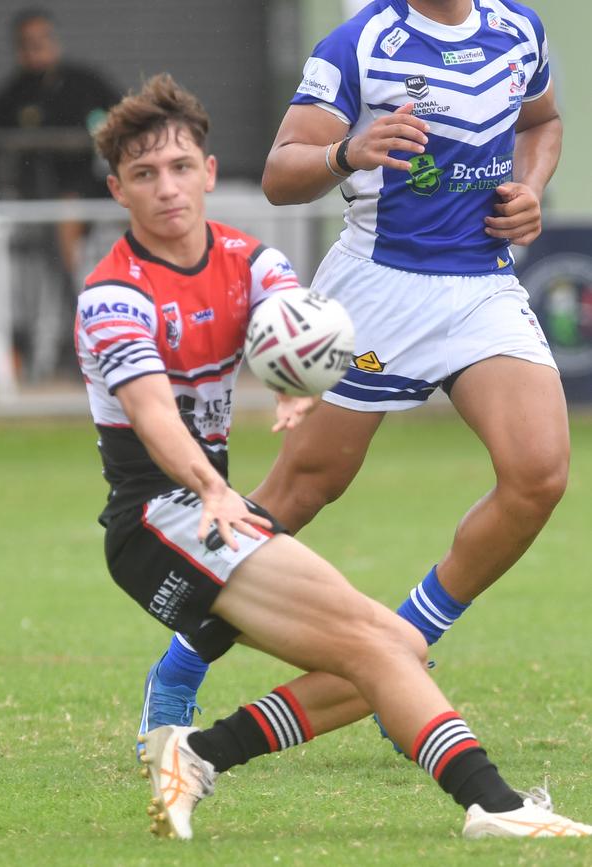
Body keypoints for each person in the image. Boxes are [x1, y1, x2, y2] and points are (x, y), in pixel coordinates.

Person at [75, 72, 590, 841]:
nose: (168, 188)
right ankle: (496, 806)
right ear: (119, 190)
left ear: (210, 173)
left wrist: (298, 386)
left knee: (397, 649)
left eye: (182, 167)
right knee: (382, 645)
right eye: (145, 175)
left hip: (214, 522)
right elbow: (154, 416)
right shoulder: (113, 296)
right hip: (160, 521)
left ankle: (198, 754)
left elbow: (297, 325)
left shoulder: (251, 261)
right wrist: (214, 492)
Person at [140, 0, 570, 750]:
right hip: (375, 307)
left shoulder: (517, 28)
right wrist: (350, 150)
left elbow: (542, 122)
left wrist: (529, 187)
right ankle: (179, 664)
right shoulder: (361, 43)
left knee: (539, 472)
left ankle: (404, 646)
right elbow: (279, 175)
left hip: (481, 293)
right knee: (303, 489)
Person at [0, 7, 121, 378]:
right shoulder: (9, 96)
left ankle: (81, 313)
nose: (36, 50)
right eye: (28, 44)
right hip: (32, 204)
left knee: (68, 212)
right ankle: (67, 325)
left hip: (92, 195)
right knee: (56, 220)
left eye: (42, 41)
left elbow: (126, 120)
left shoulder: (85, 82)